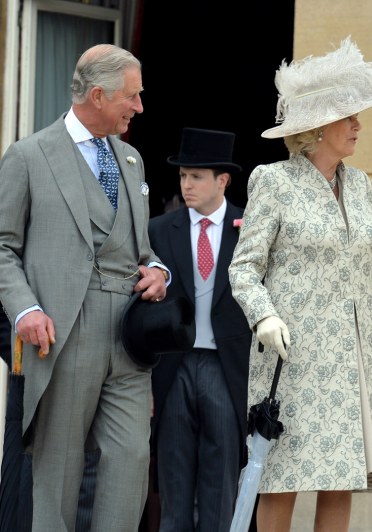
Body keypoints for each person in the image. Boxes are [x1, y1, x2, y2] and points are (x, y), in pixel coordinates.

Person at [228, 36, 372, 532]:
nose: (357, 126)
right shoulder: (273, 181)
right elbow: (244, 267)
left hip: (352, 357)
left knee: (341, 476)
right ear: (318, 126)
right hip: (293, 354)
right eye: (348, 116)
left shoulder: (361, 184)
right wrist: (263, 315)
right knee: (281, 477)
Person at [0, 43, 169, 531]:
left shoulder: (133, 160)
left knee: (131, 462)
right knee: (58, 475)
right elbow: (3, 247)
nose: (139, 107)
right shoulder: (29, 156)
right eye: (131, 97)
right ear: (98, 95)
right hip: (63, 335)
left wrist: (160, 272)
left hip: (129, 340)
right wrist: (25, 309)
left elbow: (142, 250)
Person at [147, 127, 252, 531]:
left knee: (220, 487)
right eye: (182, 176)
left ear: (222, 180)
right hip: (173, 368)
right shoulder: (159, 229)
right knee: (172, 486)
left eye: (196, 176)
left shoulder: (251, 227)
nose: (186, 185)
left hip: (226, 370)